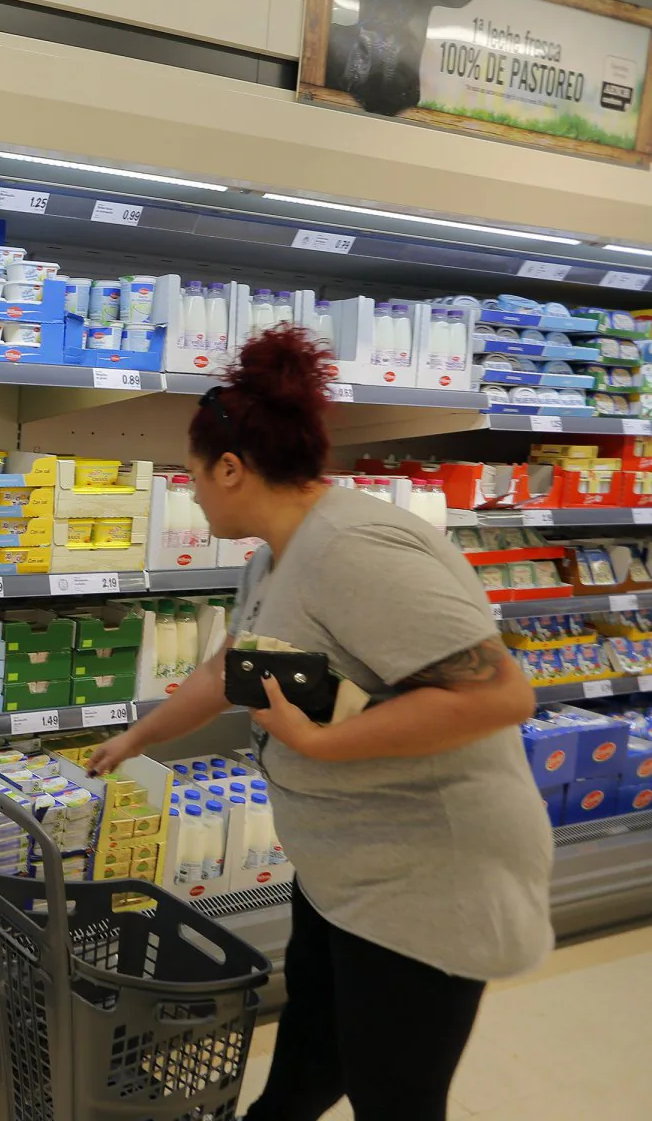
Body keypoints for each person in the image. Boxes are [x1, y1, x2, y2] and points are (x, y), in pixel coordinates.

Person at [87, 325, 552, 1121]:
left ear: (231, 469)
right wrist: (137, 738)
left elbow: (499, 696)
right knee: (311, 1055)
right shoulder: (278, 554)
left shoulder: (356, 548)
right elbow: (227, 670)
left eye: (194, 476)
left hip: (427, 881)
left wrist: (319, 742)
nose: (191, 495)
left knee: (393, 1094)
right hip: (348, 870)